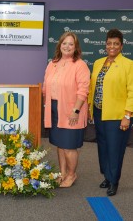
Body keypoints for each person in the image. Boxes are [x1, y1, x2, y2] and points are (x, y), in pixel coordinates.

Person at [88, 29, 133, 196]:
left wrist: (127, 115)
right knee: (103, 147)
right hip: (100, 113)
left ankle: (114, 181)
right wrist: (90, 108)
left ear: (121, 46)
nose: (112, 46)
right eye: (109, 43)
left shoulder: (129, 65)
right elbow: (93, 87)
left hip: (118, 116)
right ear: (105, 45)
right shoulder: (99, 62)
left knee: (115, 149)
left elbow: (132, 92)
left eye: (116, 44)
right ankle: (107, 175)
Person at [43, 32, 90, 187]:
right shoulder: (53, 63)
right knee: (60, 144)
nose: (67, 46)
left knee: (69, 146)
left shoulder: (80, 65)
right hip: (55, 109)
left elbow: (83, 90)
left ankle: (71, 174)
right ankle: (62, 173)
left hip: (72, 111)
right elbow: (45, 87)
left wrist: (76, 111)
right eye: (64, 43)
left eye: (71, 44)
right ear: (60, 45)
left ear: (76, 47)